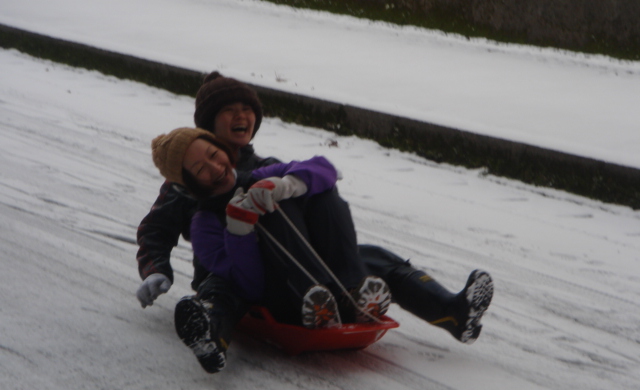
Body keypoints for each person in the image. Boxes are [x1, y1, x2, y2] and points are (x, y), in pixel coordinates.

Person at [136, 72, 494, 373]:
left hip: (299, 263)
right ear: (208, 126)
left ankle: (453, 312)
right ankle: (210, 334)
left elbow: (321, 174)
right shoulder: (184, 186)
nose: (240, 116)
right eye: (228, 111)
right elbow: (156, 229)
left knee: (374, 257)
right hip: (229, 271)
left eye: (246, 109)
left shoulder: (263, 167)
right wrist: (156, 269)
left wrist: (290, 186)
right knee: (222, 294)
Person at [149, 127, 392, 371]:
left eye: (213, 155)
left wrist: (287, 185)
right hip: (286, 298)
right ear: (189, 184)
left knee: (322, 193)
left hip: (332, 280)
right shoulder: (205, 226)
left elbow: (326, 169)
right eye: (200, 169)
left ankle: (351, 292)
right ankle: (314, 299)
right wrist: (239, 230)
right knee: (271, 210)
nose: (215, 167)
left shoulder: (258, 175)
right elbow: (249, 286)